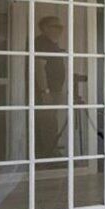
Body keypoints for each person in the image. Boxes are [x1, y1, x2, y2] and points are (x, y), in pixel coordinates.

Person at [35, 16, 67, 158]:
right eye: (56, 27)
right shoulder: (42, 43)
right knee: (47, 122)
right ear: (45, 28)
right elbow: (39, 68)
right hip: (46, 91)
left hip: (54, 89)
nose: (60, 30)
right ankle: (48, 155)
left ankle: (50, 152)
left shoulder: (52, 44)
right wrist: (45, 91)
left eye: (61, 27)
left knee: (51, 120)